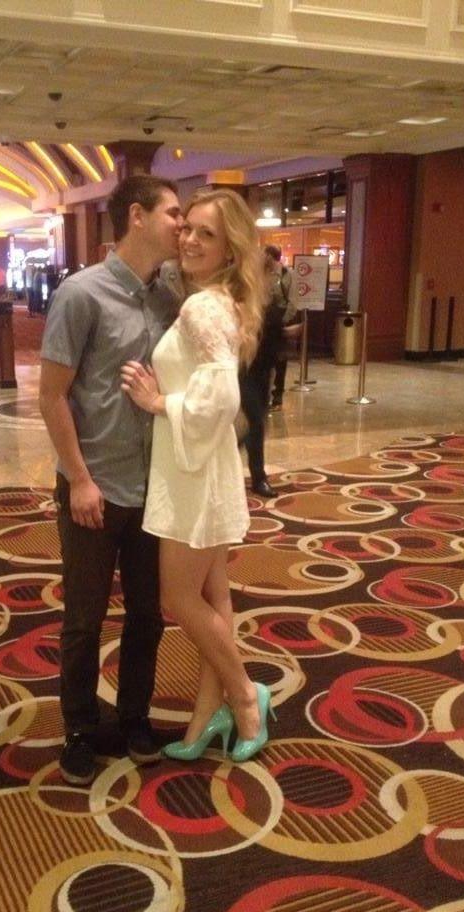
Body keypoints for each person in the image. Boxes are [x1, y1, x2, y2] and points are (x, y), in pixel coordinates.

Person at [120, 188, 276, 765]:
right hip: (204, 465)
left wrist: (159, 402)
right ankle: (206, 716)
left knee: (179, 597)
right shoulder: (218, 301)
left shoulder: (201, 308)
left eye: (206, 234)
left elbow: (221, 396)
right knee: (214, 595)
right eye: (187, 227)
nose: (188, 239)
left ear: (230, 250)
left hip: (192, 470)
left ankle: (244, 696)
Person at [39, 174, 185, 786]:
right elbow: (51, 396)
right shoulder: (82, 295)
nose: (182, 225)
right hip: (94, 487)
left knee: (148, 615)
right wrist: (79, 479)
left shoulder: (170, 296)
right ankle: (78, 727)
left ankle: (133, 718)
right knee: (85, 616)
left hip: (154, 487)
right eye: (173, 213)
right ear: (137, 216)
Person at [237, 244, 299, 497]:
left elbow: (272, 328)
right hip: (242, 369)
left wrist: (285, 334)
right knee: (253, 421)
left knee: (256, 421)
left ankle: (255, 474)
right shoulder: (239, 298)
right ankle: (257, 476)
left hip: (262, 368)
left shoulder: (267, 297)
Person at [265, 246, 300, 410]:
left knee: (279, 360)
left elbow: (293, 302)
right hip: (265, 320)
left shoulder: (287, 274)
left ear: (270, 256)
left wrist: (283, 322)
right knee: (264, 360)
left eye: (263, 254)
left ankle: (277, 397)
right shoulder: (263, 274)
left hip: (280, 320)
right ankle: (264, 395)